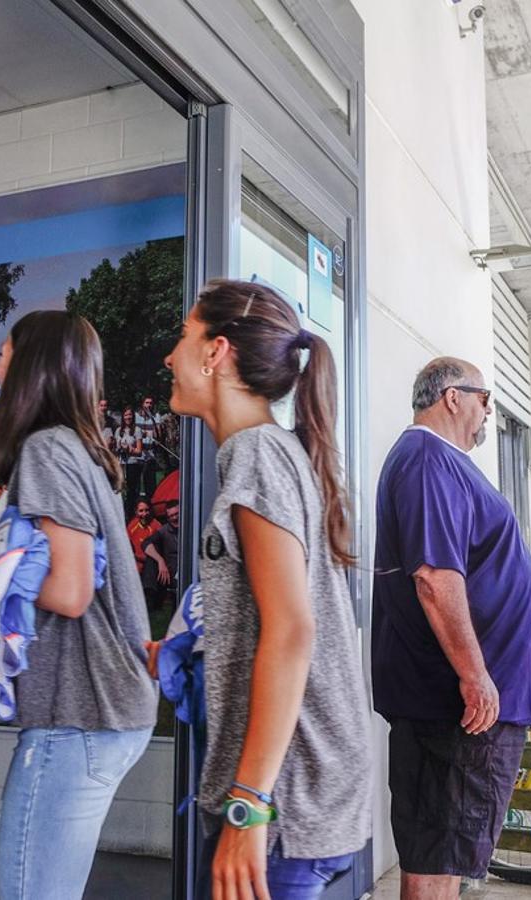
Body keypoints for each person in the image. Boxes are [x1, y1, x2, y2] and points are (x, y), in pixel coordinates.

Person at [0, 310, 157, 899]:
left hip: (77, 717)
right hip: (95, 716)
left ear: (31, 367)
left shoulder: (49, 450)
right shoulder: (74, 449)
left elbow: (71, 592)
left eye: (4, 353)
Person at [161, 279, 371, 899]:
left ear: (215, 351)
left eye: (182, 336)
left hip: (286, 800)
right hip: (296, 793)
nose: (170, 356)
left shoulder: (258, 456)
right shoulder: (269, 454)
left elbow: (292, 631)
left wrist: (248, 806)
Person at [372, 357, 531, 899]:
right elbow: (433, 577)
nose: (488, 411)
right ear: (452, 397)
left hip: (460, 713)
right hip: (455, 710)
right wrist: (476, 676)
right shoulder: (428, 460)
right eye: (484, 399)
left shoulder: (437, 462)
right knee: (436, 853)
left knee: (443, 852)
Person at [142, 500, 180, 609]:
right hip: (169, 572)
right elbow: (146, 543)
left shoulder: (189, 527)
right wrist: (160, 560)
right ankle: (149, 598)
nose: (174, 518)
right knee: (151, 557)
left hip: (185, 569)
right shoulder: (164, 530)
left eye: (176, 514)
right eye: (171, 516)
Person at [111, 407, 144, 515]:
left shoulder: (137, 430)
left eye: (130, 415)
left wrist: (130, 449)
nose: (128, 417)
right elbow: (116, 449)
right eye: (126, 415)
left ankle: (131, 514)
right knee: (120, 490)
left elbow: (139, 451)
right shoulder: (118, 430)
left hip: (133, 464)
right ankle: (121, 513)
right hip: (121, 463)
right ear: (123, 417)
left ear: (133, 417)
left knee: (131, 491)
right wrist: (119, 449)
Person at [126, 498, 161, 576]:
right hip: (134, 567)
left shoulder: (157, 526)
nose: (144, 514)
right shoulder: (132, 526)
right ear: (136, 512)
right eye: (141, 511)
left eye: (147, 510)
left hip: (151, 567)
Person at [136, 395, 162, 493]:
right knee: (136, 482)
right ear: (142, 404)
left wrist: (155, 425)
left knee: (150, 482)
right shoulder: (136, 416)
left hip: (151, 453)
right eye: (147, 403)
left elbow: (157, 435)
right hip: (139, 453)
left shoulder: (156, 416)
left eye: (151, 403)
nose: (149, 405)